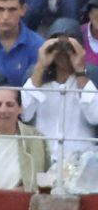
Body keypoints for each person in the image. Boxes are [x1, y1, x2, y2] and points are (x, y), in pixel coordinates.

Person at [20, 23, 98, 167]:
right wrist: (41, 66)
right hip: (43, 160)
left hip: (81, 162)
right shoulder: (37, 79)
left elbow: (95, 116)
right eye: (56, 46)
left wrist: (80, 69)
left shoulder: (91, 77)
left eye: (69, 46)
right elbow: (25, 114)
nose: (63, 52)